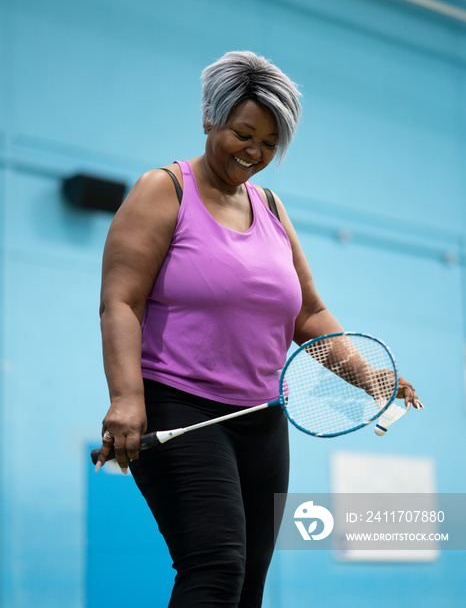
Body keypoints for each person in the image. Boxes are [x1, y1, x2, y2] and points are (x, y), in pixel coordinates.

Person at [95, 51, 422, 607]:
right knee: (217, 566)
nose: (255, 152)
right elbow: (119, 302)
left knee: (248, 589)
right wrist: (126, 399)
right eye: (243, 134)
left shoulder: (270, 207)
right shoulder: (164, 190)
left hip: (260, 419)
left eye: (269, 144)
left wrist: (371, 379)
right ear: (209, 120)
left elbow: (309, 315)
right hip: (181, 407)